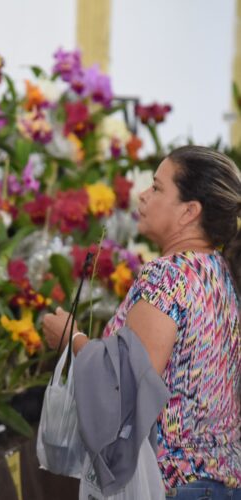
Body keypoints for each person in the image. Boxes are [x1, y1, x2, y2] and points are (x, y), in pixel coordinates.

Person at [42, 145, 241, 499]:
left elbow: (128, 388)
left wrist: (73, 339)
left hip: (174, 483)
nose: (143, 195)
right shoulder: (220, 272)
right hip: (220, 480)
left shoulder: (168, 275)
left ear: (189, 212)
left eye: (157, 187)